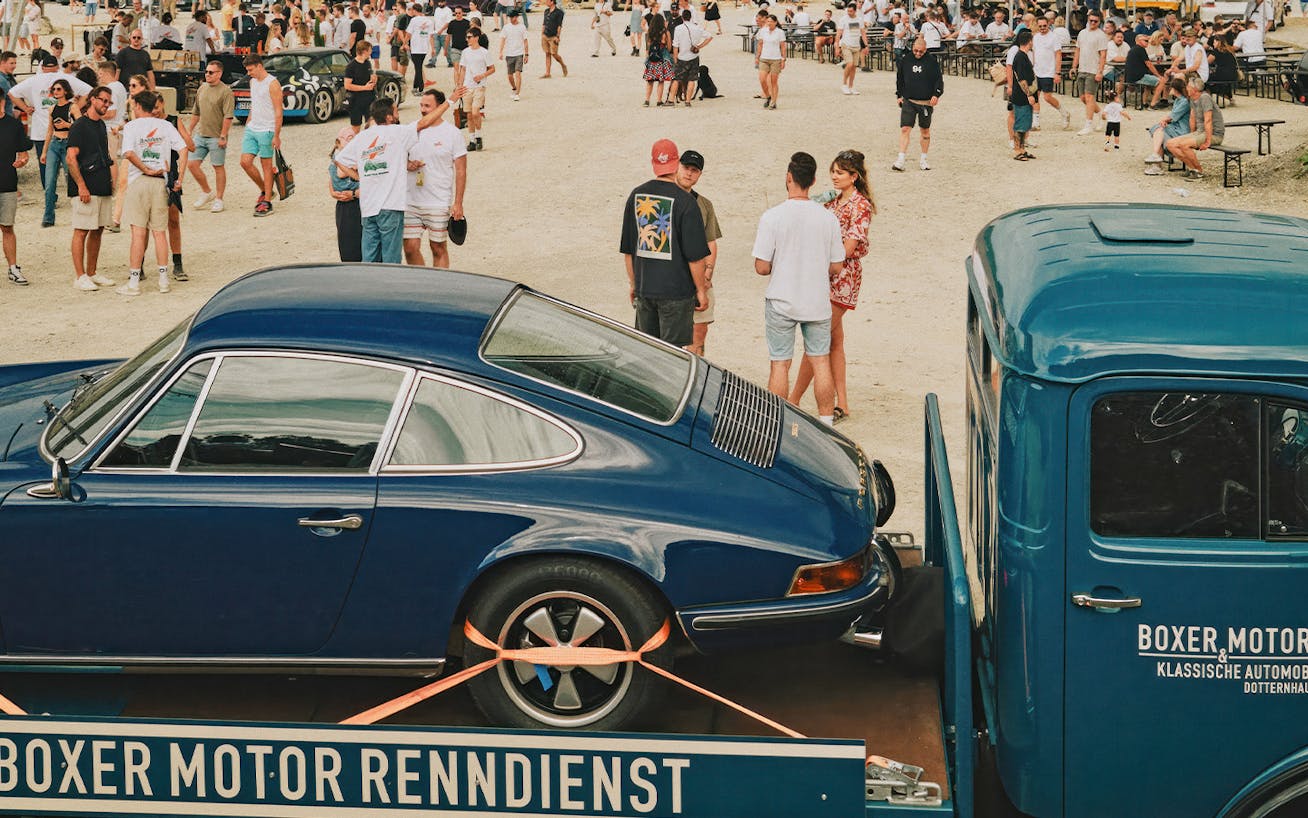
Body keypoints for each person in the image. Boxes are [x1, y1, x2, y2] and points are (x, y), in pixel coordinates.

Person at [752, 152, 844, 425]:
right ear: (813, 180)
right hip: (815, 300)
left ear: (788, 178)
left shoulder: (772, 216)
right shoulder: (828, 218)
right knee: (820, 361)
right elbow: (837, 265)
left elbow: (761, 266)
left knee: (780, 363)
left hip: (782, 298)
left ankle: (774, 421)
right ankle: (826, 421)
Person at [789, 149, 873, 420]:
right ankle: (843, 404)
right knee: (834, 340)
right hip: (830, 274)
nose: (834, 177)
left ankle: (793, 398)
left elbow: (849, 248)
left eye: (840, 173)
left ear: (854, 176)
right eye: (833, 172)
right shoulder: (834, 200)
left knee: (817, 337)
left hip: (842, 277)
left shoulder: (860, 205)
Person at [333, 91, 463, 264]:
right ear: (388, 117)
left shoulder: (363, 136)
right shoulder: (397, 132)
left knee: (369, 257)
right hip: (390, 206)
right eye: (395, 112)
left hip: (368, 208)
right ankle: (392, 290)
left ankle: (371, 289)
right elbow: (425, 123)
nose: (398, 115)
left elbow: (339, 160)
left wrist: (359, 177)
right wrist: (450, 101)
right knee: (391, 258)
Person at [619, 138, 709, 348]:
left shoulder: (636, 196)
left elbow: (628, 251)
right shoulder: (687, 203)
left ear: (653, 164)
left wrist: (634, 284)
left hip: (645, 289)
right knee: (673, 356)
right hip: (676, 294)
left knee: (647, 352)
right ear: (676, 162)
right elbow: (695, 257)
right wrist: (701, 290)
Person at [116, 90, 186, 297]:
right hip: (160, 181)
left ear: (138, 106)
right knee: (159, 232)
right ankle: (163, 278)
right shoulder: (165, 125)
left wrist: (145, 168)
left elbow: (128, 152)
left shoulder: (131, 126)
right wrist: (179, 177)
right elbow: (183, 149)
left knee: (138, 233)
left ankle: (134, 281)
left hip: (140, 180)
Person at [403, 87, 466, 269]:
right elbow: (397, 156)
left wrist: (458, 203)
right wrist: (408, 164)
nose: (422, 109)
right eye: (421, 105)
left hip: (438, 200)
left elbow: (461, 170)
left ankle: (440, 287)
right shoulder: (411, 130)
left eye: (427, 106)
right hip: (411, 201)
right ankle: (422, 284)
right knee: (409, 248)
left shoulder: (452, 133)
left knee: (438, 247)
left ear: (439, 107)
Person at [9, 56, 92, 192]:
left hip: (41, 131)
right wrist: (74, 107)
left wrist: (26, 108)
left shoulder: (34, 80)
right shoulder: (65, 78)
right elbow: (88, 91)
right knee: (70, 163)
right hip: (63, 130)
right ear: (57, 66)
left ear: (42, 67)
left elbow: (12, 93)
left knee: (45, 166)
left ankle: (49, 195)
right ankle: (73, 190)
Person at [66, 86, 117, 291]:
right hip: (85, 187)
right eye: (103, 100)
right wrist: (81, 186)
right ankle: (80, 276)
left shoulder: (100, 125)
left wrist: (111, 182)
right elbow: (71, 158)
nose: (106, 105)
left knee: (98, 230)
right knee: (81, 230)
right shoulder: (79, 126)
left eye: (108, 102)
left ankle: (92, 272)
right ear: (93, 99)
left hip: (101, 184)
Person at [674, 149, 720, 356]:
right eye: (686, 168)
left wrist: (707, 273)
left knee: (699, 333)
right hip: (670, 280)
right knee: (668, 337)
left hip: (699, 278)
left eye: (695, 170)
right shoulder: (665, 198)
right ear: (677, 166)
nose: (689, 173)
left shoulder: (704, 205)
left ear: (700, 174)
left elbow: (711, 242)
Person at [238, 54, 283, 217]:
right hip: (253, 127)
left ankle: (267, 201)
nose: (249, 73)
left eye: (250, 70)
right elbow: (254, 104)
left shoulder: (272, 84)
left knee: (266, 165)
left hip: (267, 129)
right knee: (245, 162)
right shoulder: (252, 82)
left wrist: (277, 135)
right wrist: (248, 123)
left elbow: (279, 111)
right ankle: (266, 190)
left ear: (259, 66)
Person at [187, 59, 233, 214]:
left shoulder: (225, 91)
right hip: (201, 135)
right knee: (192, 164)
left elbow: (228, 116)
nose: (207, 74)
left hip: (216, 136)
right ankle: (207, 191)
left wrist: (223, 135)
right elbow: (196, 111)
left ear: (219, 74)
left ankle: (219, 199)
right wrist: (190, 130)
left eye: (211, 72)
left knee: (218, 166)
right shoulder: (202, 88)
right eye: (206, 72)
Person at [893, 37, 942, 171]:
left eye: (921, 51)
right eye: (916, 50)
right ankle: (901, 159)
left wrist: (936, 94)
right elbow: (900, 78)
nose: (918, 53)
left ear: (925, 49)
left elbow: (938, 79)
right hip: (909, 100)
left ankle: (923, 159)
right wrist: (899, 95)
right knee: (905, 129)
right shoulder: (906, 59)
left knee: (925, 131)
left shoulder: (932, 62)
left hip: (925, 102)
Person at [1165, 76, 1222, 180]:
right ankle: (1192, 168)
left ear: (1194, 89)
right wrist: (1191, 136)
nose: (1186, 88)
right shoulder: (1192, 98)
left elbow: (1208, 120)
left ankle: (1199, 171)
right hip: (1200, 132)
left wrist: (1208, 141)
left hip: (1213, 134)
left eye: (1188, 87)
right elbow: (1192, 118)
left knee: (1183, 145)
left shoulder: (1205, 98)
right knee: (1170, 144)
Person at [40, 79, 78, 228]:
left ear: (66, 91)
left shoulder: (72, 107)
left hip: (68, 144)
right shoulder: (52, 108)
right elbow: (49, 130)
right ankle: (48, 217)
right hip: (55, 144)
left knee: (72, 180)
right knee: (49, 182)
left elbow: (81, 126)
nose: (56, 92)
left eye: (59, 89)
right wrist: (44, 151)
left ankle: (79, 214)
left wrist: (67, 125)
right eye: (54, 89)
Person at [0, 110, 30, 286]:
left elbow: (24, 154)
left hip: (7, 184)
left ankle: (13, 268)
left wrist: (22, 161)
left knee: (7, 227)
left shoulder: (13, 125)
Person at [456, 27, 493, 150]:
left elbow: (492, 68)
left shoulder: (484, 52)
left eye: (469, 37)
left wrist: (482, 76)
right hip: (467, 86)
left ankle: (478, 136)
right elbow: (463, 69)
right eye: (467, 37)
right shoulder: (465, 52)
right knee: (469, 114)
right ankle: (472, 140)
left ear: (476, 37)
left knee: (476, 111)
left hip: (479, 86)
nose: (467, 39)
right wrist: (459, 86)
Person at [1071, 12, 1107, 135]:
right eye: (1091, 20)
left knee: (1090, 97)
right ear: (1088, 19)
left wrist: (1100, 71)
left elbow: (1103, 55)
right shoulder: (1082, 33)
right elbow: (1078, 50)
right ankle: (1100, 114)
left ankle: (1088, 124)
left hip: (1093, 69)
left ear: (1099, 22)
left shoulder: (1101, 35)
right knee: (1083, 98)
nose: (1092, 23)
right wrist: (1073, 67)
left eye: (1095, 21)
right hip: (1082, 68)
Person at [1030, 16, 1069, 130]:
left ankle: (1064, 112)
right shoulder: (1035, 37)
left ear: (1048, 25)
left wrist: (1057, 72)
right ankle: (1036, 122)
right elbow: (1033, 52)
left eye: (1044, 26)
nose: (1042, 28)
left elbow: (1058, 55)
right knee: (1034, 96)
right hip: (1036, 70)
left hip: (1048, 71)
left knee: (1047, 97)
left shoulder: (1054, 37)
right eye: (1040, 26)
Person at [329, 126, 361, 262]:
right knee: (348, 248)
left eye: (353, 138)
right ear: (338, 143)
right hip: (346, 205)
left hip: (358, 201)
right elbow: (336, 175)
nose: (351, 142)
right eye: (347, 139)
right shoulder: (341, 159)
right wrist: (332, 191)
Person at [671, 8, 708, 104]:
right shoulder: (697, 28)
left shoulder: (678, 28)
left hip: (682, 56)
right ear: (690, 17)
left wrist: (675, 58)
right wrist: (700, 46)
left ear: (682, 18)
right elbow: (709, 36)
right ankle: (688, 100)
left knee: (676, 79)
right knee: (692, 79)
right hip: (694, 56)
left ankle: (671, 100)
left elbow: (675, 46)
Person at [1010, 28, 1036, 160]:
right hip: (1021, 96)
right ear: (1029, 41)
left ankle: (1022, 148)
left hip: (1023, 95)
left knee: (1025, 123)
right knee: (1020, 124)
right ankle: (1017, 150)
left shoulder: (1022, 55)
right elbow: (1022, 79)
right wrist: (1029, 94)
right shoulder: (1020, 57)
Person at [344, 39, 376, 133]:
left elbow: (370, 78)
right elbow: (347, 85)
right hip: (356, 100)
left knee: (372, 125)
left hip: (369, 98)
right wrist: (364, 88)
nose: (371, 52)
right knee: (356, 127)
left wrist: (374, 79)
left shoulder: (367, 63)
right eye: (370, 50)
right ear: (364, 51)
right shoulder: (351, 66)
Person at [754, 13, 785, 109]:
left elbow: (783, 46)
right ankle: (768, 96)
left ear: (775, 22)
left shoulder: (780, 32)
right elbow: (760, 44)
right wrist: (757, 57)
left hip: (776, 59)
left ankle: (773, 101)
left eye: (771, 21)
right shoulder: (763, 31)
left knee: (773, 81)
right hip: (764, 58)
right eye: (768, 21)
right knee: (762, 79)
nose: (769, 23)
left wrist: (783, 59)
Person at [642, 11, 673, 105]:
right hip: (661, 58)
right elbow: (669, 47)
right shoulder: (665, 32)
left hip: (652, 59)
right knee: (660, 81)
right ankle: (659, 101)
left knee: (650, 81)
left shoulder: (649, 32)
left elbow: (647, 47)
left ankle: (647, 100)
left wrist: (647, 59)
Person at [837, 3, 865, 95]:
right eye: (848, 11)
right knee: (850, 64)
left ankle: (851, 86)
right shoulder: (843, 19)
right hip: (846, 45)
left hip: (856, 46)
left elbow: (863, 33)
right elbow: (839, 34)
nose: (849, 12)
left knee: (854, 67)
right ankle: (844, 84)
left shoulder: (859, 20)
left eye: (851, 11)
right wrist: (837, 46)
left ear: (855, 11)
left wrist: (866, 45)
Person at [500, 9, 528, 100]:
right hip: (509, 53)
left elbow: (525, 41)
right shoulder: (506, 27)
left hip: (519, 53)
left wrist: (526, 54)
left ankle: (517, 93)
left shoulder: (522, 27)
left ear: (516, 17)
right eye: (510, 17)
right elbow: (503, 40)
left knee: (518, 73)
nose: (511, 19)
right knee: (510, 75)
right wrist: (500, 51)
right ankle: (514, 87)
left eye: (512, 17)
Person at [406, 4, 433, 92]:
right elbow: (431, 35)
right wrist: (433, 48)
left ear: (414, 10)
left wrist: (404, 43)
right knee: (418, 66)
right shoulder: (429, 21)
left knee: (418, 68)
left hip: (415, 47)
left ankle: (421, 89)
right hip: (424, 47)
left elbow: (409, 34)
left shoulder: (413, 20)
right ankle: (415, 86)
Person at [540, 0, 568, 78]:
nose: (546, 2)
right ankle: (547, 73)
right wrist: (542, 34)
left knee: (554, 54)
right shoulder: (546, 11)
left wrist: (558, 36)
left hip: (553, 36)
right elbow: (544, 23)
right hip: (545, 35)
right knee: (547, 53)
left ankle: (563, 65)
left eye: (547, 1)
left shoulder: (559, 13)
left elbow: (559, 25)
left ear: (552, 2)